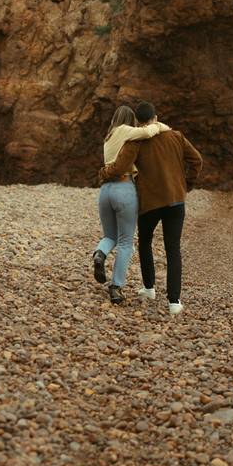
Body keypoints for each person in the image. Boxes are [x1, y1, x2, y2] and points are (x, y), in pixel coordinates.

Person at [98, 102, 202, 315]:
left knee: (145, 242)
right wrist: (186, 184)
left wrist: (103, 174)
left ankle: (149, 288)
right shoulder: (176, 136)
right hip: (176, 200)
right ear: (155, 117)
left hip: (150, 203)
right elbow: (196, 160)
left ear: (138, 122)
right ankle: (174, 302)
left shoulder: (136, 142)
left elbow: (119, 167)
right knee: (173, 248)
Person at [93, 106, 170, 304]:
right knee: (126, 242)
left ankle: (100, 254)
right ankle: (115, 287)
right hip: (124, 188)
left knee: (110, 236)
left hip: (105, 191)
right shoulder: (126, 130)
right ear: (129, 119)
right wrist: (159, 124)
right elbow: (149, 131)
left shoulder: (108, 137)